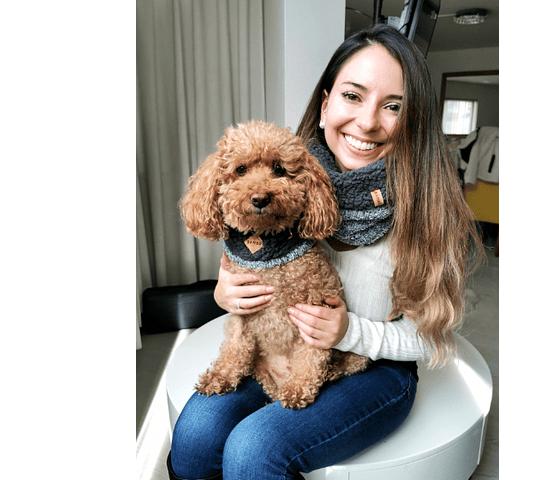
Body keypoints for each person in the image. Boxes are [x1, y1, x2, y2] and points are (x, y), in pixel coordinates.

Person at [167, 23, 484, 480]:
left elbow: (432, 337)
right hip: (281, 349)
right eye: (353, 96)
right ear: (325, 105)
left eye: (393, 106)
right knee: (194, 436)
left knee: (253, 451)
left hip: (378, 368)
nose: (368, 122)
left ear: (412, 122)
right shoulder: (291, 178)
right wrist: (226, 294)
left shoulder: (427, 209)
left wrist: (349, 331)